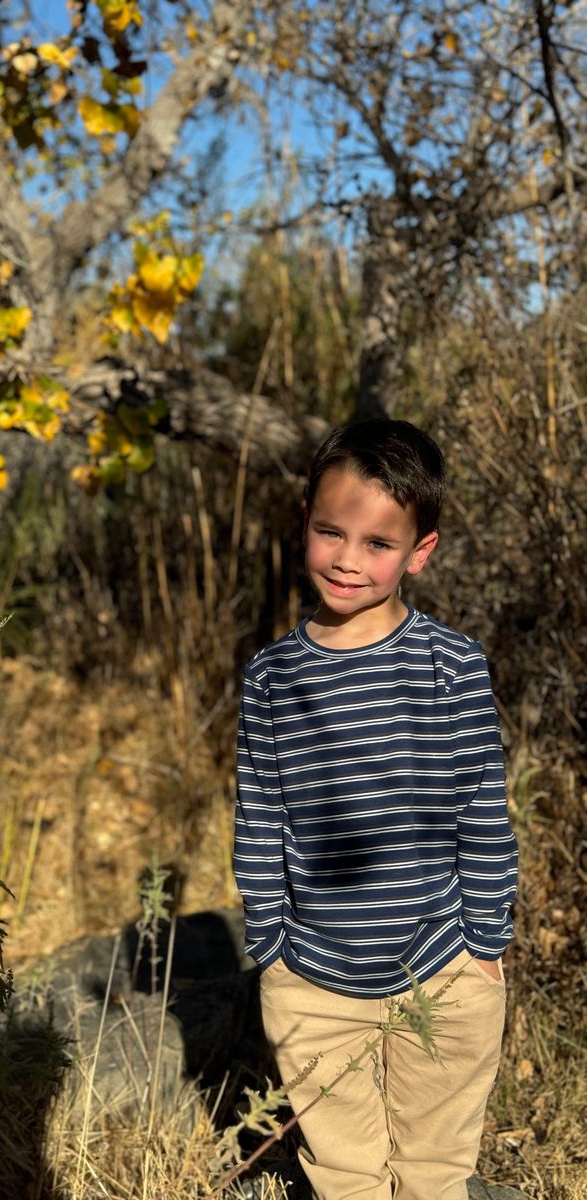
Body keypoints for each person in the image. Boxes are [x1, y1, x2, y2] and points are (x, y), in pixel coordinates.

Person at [233, 418, 518, 1200]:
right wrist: (271, 946)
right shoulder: (272, 679)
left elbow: (482, 810)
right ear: (304, 526)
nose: (348, 560)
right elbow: (260, 819)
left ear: (419, 552)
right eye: (331, 532)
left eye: (378, 544)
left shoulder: (452, 666)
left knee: (434, 1172)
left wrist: (484, 942)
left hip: (444, 968)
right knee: (346, 1178)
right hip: (315, 985)